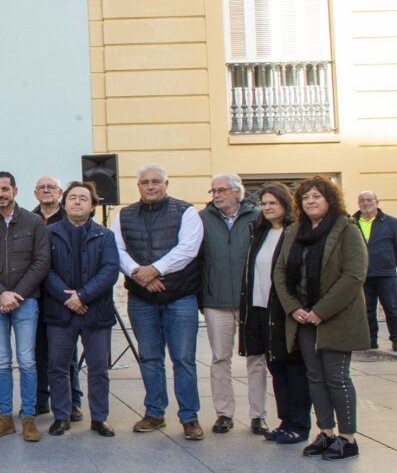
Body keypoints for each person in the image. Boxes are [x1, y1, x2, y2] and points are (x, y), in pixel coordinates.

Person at [275, 176, 369, 461]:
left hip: (335, 317)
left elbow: (354, 275)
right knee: (315, 377)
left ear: (329, 199)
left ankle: (347, 438)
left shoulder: (346, 228)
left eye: (316, 196)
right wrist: (294, 308)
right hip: (303, 318)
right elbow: (280, 273)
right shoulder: (295, 231)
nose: (311, 201)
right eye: (305, 197)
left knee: (336, 377)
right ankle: (326, 433)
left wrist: (321, 311)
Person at [112, 164, 205, 440]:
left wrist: (156, 269)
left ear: (166, 183)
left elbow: (188, 249)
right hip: (142, 298)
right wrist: (140, 275)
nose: (150, 186)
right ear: (137, 186)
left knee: (184, 359)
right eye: (144, 182)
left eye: (155, 181)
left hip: (179, 297)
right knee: (150, 357)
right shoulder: (124, 215)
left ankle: (189, 417)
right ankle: (154, 412)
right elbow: (116, 249)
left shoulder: (186, 211)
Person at [0, 172, 50, 442]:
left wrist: (15, 295)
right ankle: (5, 417)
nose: (1, 194)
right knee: (1, 361)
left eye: (6, 189)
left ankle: (27, 416)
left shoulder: (34, 222)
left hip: (26, 302)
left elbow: (41, 262)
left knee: (27, 361)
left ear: (15, 190)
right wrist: (0, 293)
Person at [41, 182, 119, 437]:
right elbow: (45, 270)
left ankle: (99, 418)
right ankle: (61, 415)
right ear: (64, 203)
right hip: (60, 312)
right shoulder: (49, 233)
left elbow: (109, 271)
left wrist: (83, 296)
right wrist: (69, 299)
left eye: (83, 198)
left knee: (98, 368)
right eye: (72, 197)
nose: (77, 202)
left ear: (93, 206)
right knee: (58, 366)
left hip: (95, 312)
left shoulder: (105, 235)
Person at [241, 183, 308, 443]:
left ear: (286, 205)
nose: (267, 208)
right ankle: (284, 421)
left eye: (273, 203)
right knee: (275, 366)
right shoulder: (261, 232)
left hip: (284, 310)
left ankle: (299, 424)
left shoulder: (295, 233)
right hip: (259, 308)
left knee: (293, 368)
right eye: (264, 203)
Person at [199, 173, 263, 434]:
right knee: (219, 358)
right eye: (213, 190)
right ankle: (224, 413)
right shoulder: (202, 218)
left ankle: (258, 415)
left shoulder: (258, 217)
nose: (216, 195)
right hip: (216, 300)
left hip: (251, 300)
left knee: (256, 359)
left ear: (238, 192)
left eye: (222, 190)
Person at [31, 175, 82, 423]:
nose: (47, 190)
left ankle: (74, 402)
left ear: (60, 192)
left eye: (51, 187)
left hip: (63, 294)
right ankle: (41, 400)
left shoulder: (71, 217)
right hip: (36, 294)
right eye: (42, 188)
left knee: (66, 353)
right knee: (38, 350)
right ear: (35, 193)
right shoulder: (29, 219)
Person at [354, 191, 397, 351]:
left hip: (385, 274)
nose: (365, 203)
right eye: (362, 200)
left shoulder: (391, 223)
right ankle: (370, 340)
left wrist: (389, 263)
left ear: (377, 202)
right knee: (366, 309)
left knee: (392, 308)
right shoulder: (352, 222)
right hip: (362, 274)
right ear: (358, 203)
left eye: (369, 200)